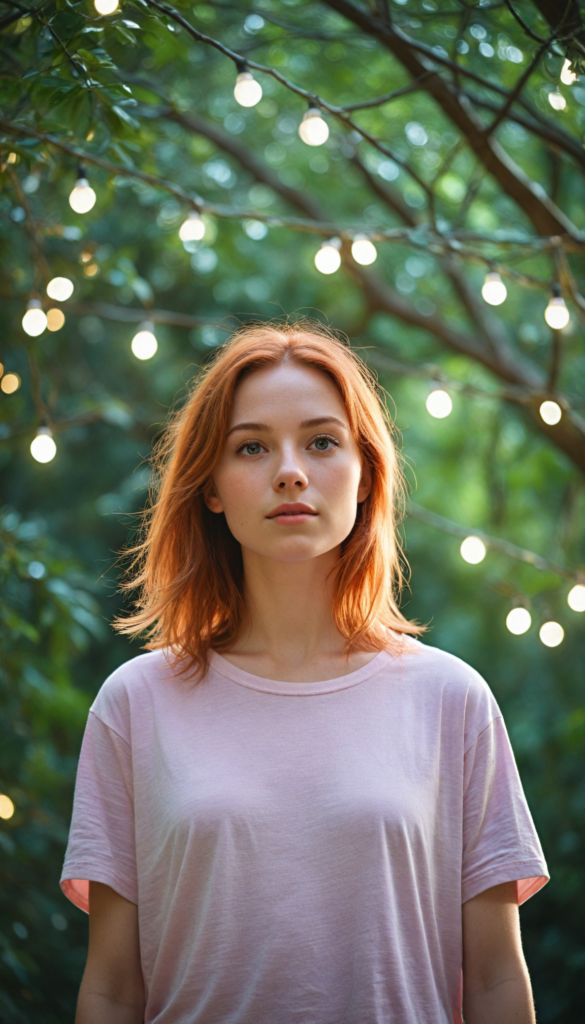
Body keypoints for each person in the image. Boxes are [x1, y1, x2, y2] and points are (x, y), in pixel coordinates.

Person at [61, 322, 548, 1024]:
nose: (289, 470)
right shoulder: (134, 704)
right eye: (251, 446)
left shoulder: (452, 701)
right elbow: (110, 988)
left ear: (365, 474)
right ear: (212, 488)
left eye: (322, 442)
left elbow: (499, 980)